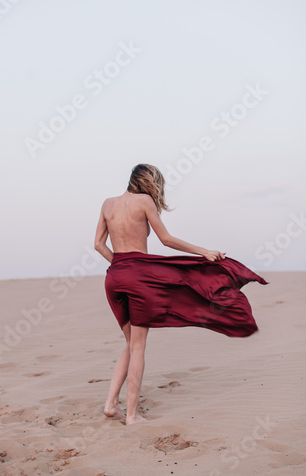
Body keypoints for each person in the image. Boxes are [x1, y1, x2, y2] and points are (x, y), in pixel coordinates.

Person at [94, 163, 267, 425]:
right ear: (150, 181)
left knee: (129, 344)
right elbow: (166, 239)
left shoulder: (108, 203)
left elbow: (98, 244)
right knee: (139, 346)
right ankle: (131, 416)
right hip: (139, 276)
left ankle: (110, 405)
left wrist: (119, 266)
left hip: (114, 276)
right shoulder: (144, 202)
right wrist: (204, 252)